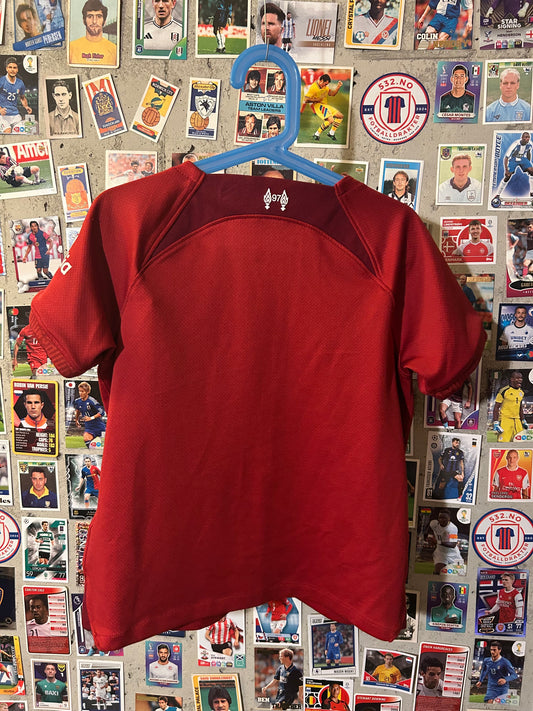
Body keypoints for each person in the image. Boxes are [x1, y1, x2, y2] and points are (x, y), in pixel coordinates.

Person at [69, 0, 117, 66]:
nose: (94, 21)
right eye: (90, 16)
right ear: (84, 21)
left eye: (99, 16)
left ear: (104, 21)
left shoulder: (114, 50)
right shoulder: (71, 48)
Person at [491, 132, 533, 206]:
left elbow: (529, 152)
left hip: (523, 159)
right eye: (526, 137)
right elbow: (506, 158)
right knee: (507, 176)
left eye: (528, 137)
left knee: (532, 171)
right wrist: (506, 170)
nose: (527, 139)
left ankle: (532, 192)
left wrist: (528, 164)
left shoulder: (530, 144)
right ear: (522, 138)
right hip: (513, 160)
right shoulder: (515, 144)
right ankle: (497, 194)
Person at [303, 74, 344, 142]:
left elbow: (332, 94)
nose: (325, 86)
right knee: (330, 120)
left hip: (325, 105)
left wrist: (338, 87)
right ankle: (316, 134)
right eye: (325, 84)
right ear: (321, 81)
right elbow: (306, 99)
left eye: (327, 84)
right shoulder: (313, 87)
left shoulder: (325, 87)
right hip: (318, 106)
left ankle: (331, 133)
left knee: (340, 116)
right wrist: (317, 100)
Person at [493, 370, 528, 442]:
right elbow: (496, 407)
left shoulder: (521, 392)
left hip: (517, 421)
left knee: (521, 443)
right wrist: (496, 422)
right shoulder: (504, 391)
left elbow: (520, 407)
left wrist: (523, 420)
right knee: (503, 443)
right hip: (506, 420)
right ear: (512, 379)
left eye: (521, 378)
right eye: (517, 378)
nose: (520, 380)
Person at [426, 509, 464, 574]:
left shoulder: (452, 528)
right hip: (440, 553)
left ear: (449, 519)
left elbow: (453, 544)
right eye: (440, 518)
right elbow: (431, 529)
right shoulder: (434, 524)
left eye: (444, 518)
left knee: (460, 573)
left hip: (453, 554)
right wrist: (430, 537)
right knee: (438, 571)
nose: (441, 520)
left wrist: (437, 542)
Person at [0, 57, 33, 133]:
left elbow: (22, 97)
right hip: (2, 115)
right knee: (8, 131)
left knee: (21, 132)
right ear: (6, 69)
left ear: (17, 70)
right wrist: (0, 109)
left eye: (14, 68)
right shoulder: (1, 81)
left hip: (15, 115)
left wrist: (26, 106)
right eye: (10, 67)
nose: (12, 70)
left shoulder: (20, 83)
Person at [74, 381, 106, 447]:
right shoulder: (77, 401)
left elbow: (101, 412)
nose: (80, 393)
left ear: (87, 392)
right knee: (86, 438)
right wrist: (76, 420)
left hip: (99, 427)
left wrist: (91, 418)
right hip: (89, 428)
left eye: (82, 391)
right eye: (79, 391)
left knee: (105, 446)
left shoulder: (92, 401)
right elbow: (78, 410)